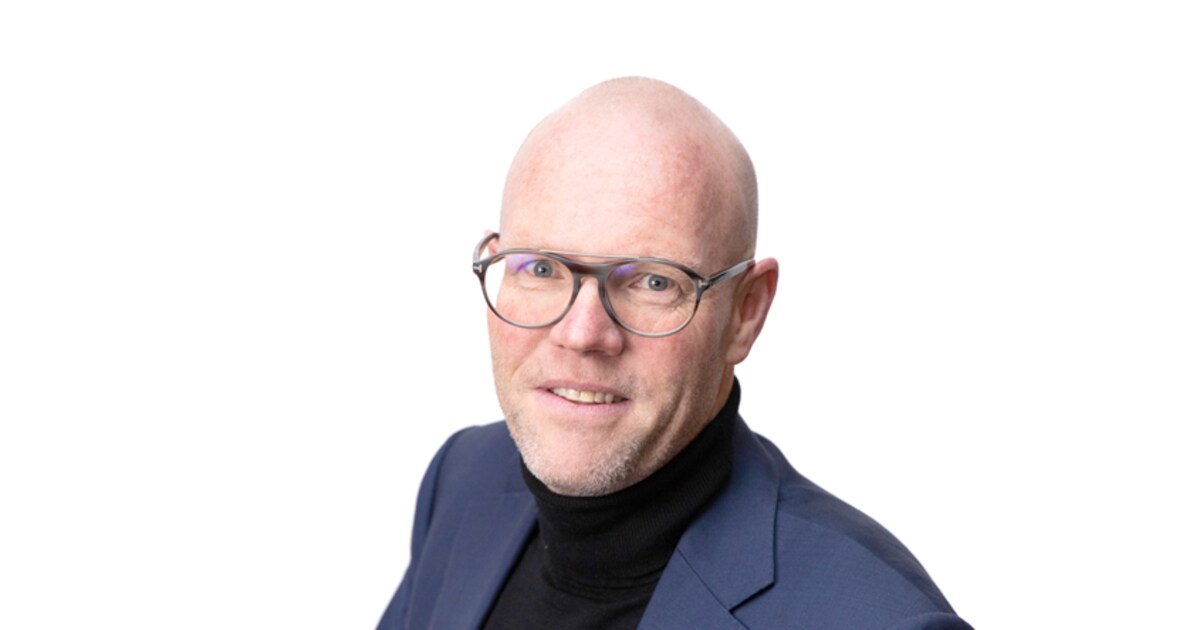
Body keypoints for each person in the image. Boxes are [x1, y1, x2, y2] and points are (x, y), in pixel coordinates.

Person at [377, 78, 971, 629]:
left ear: (745, 312)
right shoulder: (462, 481)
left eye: (653, 281)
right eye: (540, 268)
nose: (582, 333)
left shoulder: (880, 617)